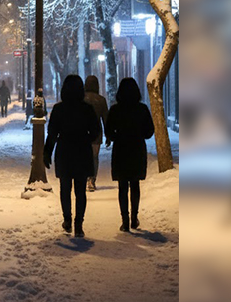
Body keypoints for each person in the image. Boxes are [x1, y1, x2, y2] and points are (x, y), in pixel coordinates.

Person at [43, 74, 102, 237]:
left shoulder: (59, 109)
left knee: (65, 188)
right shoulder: (87, 109)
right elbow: (96, 130)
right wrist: (85, 139)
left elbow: (52, 133)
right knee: (80, 190)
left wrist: (47, 152)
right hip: (82, 150)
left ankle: (67, 219)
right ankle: (79, 224)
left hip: (65, 151)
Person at [105, 77, 154, 231]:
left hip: (121, 149)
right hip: (137, 148)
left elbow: (109, 131)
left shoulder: (115, 110)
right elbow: (149, 131)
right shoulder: (142, 109)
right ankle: (134, 217)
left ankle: (125, 220)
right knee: (135, 184)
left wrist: (116, 136)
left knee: (122, 186)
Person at [83, 75, 110, 192]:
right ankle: (92, 179)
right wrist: (108, 135)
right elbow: (105, 119)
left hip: (83, 132)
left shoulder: (81, 99)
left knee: (83, 156)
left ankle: (84, 178)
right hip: (97, 132)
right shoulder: (101, 100)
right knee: (94, 157)